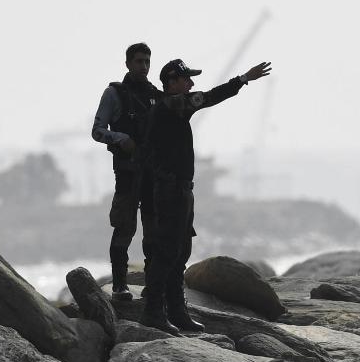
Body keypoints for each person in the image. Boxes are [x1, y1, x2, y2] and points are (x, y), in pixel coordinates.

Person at [140, 58, 272, 334]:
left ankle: (177, 312)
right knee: (167, 253)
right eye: (186, 78)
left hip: (181, 189)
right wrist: (242, 79)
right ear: (172, 81)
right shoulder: (170, 105)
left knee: (180, 253)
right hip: (170, 190)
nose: (191, 83)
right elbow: (209, 98)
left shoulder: (172, 107)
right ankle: (153, 311)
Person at [92, 43, 161, 302]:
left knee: (152, 231)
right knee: (124, 228)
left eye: (147, 61)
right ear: (128, 63)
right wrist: (121, 138)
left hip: (152, 174)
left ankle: (152, 285)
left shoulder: (155, 94)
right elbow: (97, 130)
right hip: (127, 172)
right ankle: (120, 285)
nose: (143, 66)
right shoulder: (114, 94)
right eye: (139, 61)